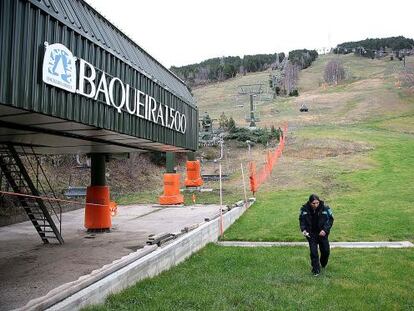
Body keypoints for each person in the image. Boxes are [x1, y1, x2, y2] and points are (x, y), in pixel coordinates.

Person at [299, 194, 334, 276]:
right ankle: (316, 270)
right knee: (314, 252)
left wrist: (325, 230)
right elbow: (301, 220)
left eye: (317, 203)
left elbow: (330, 220)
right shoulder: (304, 209)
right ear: (310, 203)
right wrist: (303, 230)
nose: (315, 205)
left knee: (325, 251)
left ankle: (323, 264)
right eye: (313, 203)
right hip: (311, 234)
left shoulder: (325, 208)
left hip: (322, 233)